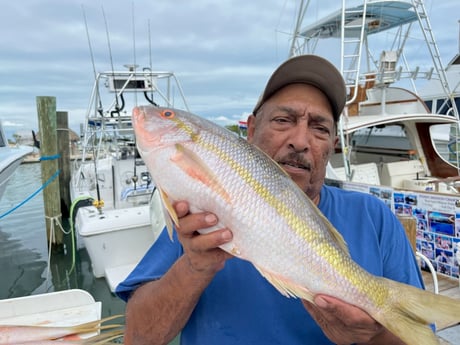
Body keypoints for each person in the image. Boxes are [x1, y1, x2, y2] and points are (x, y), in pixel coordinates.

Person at [116, 55, 425, 345]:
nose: (300, 141)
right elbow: (139, 337)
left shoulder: (373, 216)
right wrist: (195, 267)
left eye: (318, 128)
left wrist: (369, 336)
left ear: (332, 146)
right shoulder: (199, 218)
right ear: (251, 130)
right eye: (283, 120)